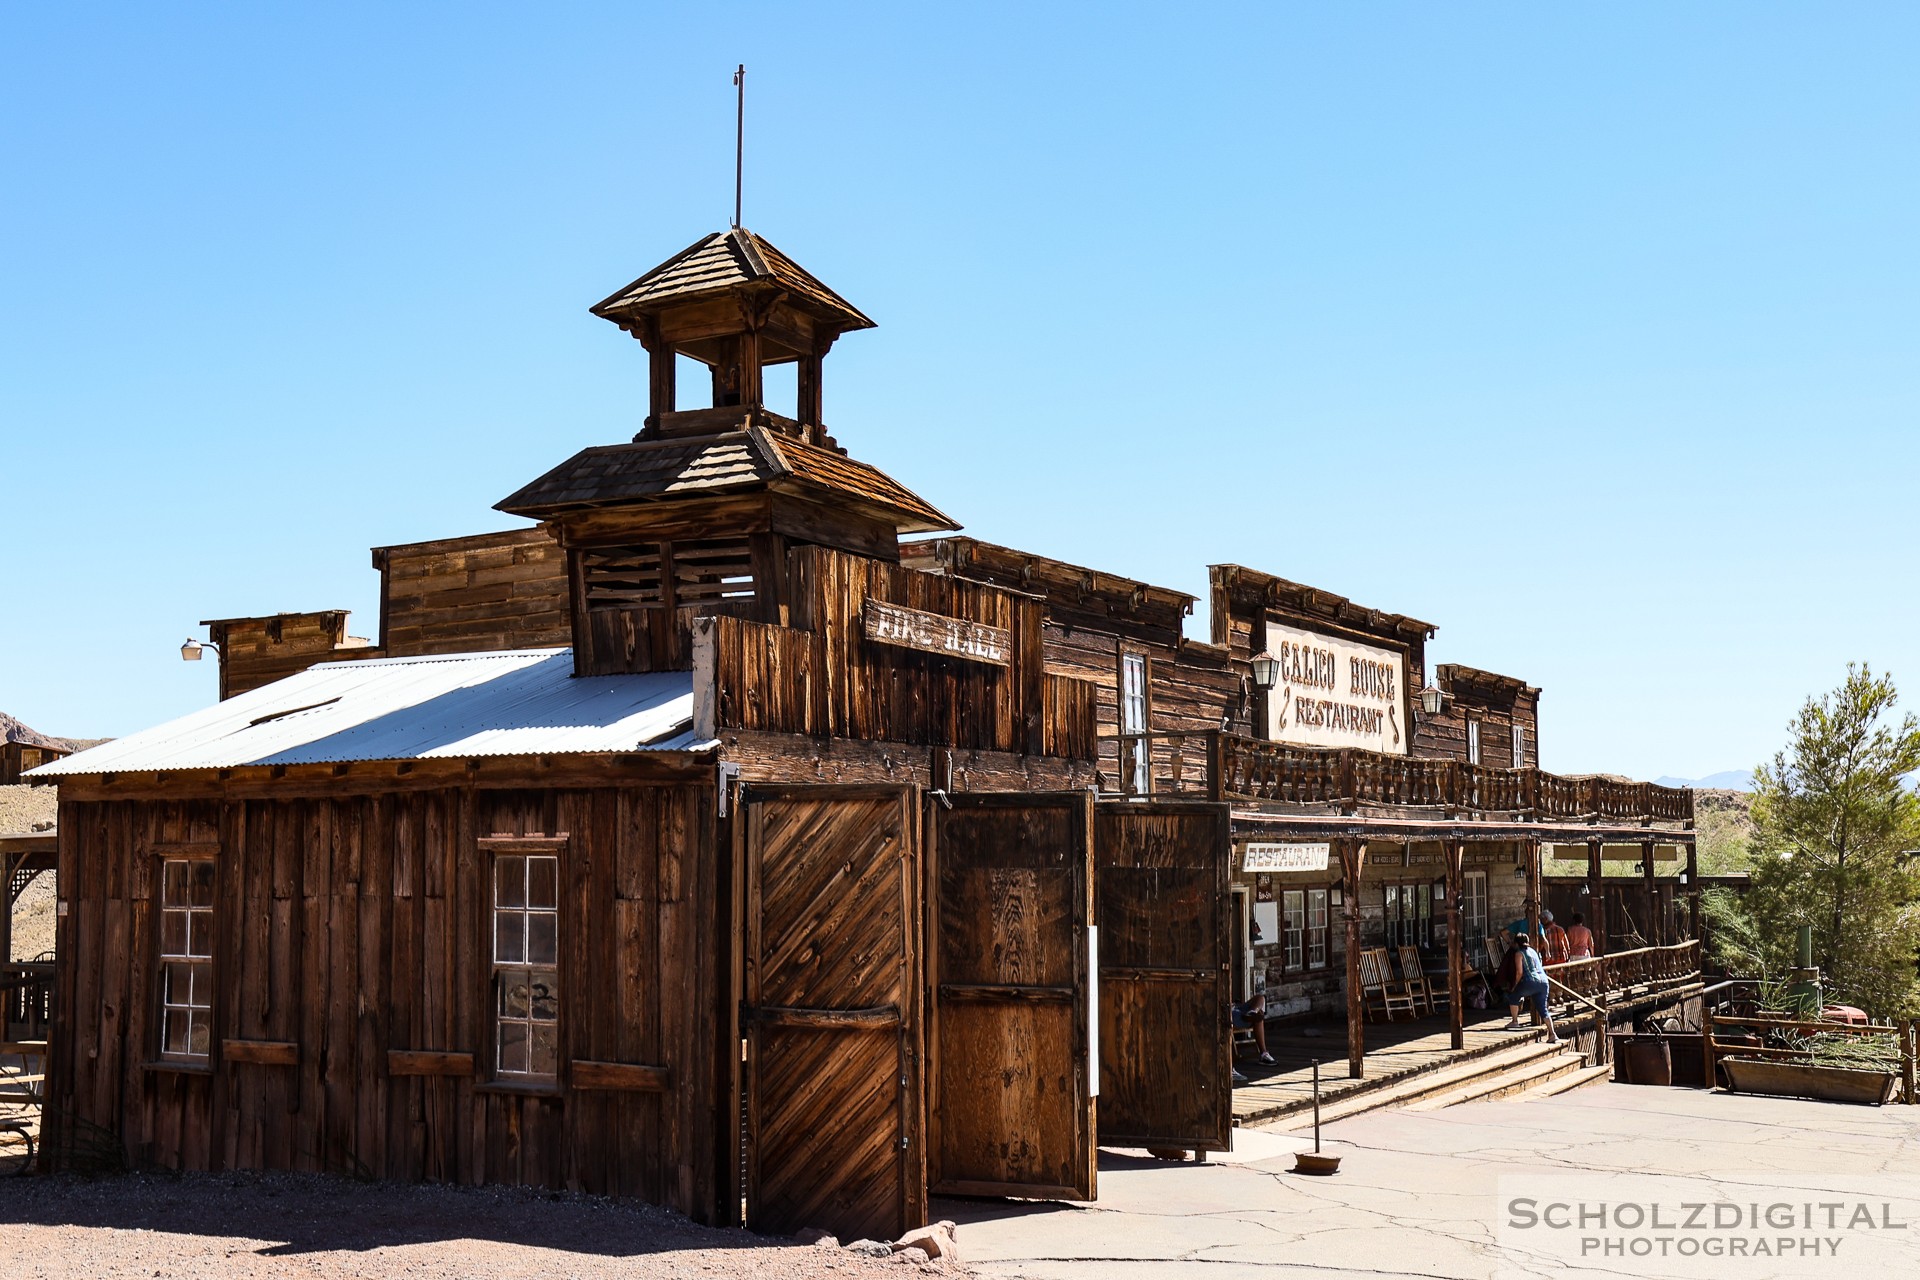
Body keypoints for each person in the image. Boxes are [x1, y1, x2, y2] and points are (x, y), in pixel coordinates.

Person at [1500, 932, 1559, 1043]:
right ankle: (1552, 1033)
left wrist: (1514, 985)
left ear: (1517, 943)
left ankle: (1515, 1021)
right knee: (1543, 1009)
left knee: (1513, 995)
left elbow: (1519, 972)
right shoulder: (1533, 951)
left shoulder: (1519, 953)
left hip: (1531, 980)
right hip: (1543, 981)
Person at [1228, 993, 1276, 1084]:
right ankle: (1264, 1054)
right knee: (1258, 1018)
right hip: (1230, 1013)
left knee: (1260, 998)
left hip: (1237, 1009)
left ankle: (1252, 1012)